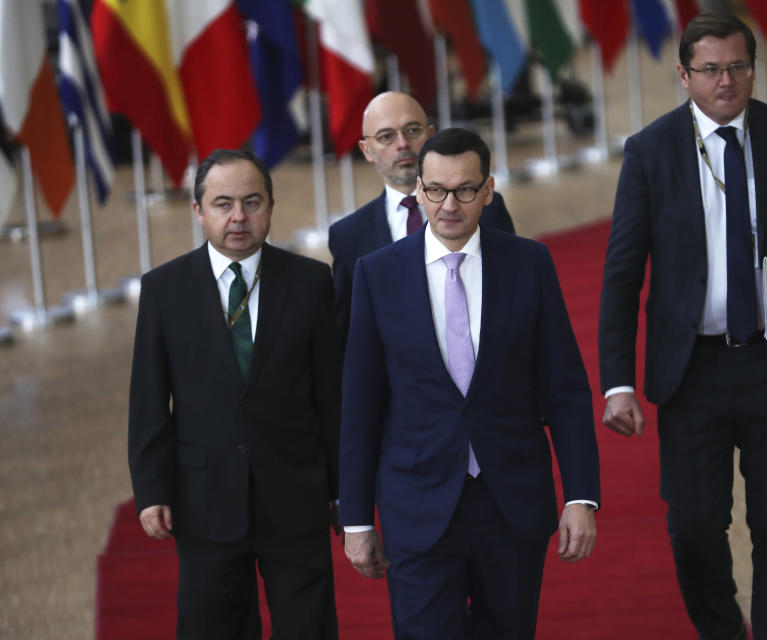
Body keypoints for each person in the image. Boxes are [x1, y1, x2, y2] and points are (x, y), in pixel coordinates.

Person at [597, 13, 767, 640]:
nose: (726, 81)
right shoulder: (651, 151)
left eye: (738, 66)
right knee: (692, 528)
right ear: (684, 76)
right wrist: (617, 383)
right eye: (710, 69)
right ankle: (720, 630)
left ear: (752, 67)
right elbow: (621, 275)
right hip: (691, 373)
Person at [339, 128, 600, 639]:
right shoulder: (377, 273)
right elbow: (361, 405)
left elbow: (564, 389)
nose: (449, 204)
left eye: (464, 189)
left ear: (488, 191)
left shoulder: (530, 264)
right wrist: (356, 519)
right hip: (416, 504)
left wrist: (581, 496)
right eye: (435, 189)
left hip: (511, 504)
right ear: (418, 190)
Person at [128, 149, 341, 639]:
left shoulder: (310, 282)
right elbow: (148, 399)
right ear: (199, 210)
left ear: (271, 205)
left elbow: (331, 397)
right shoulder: (165, 289)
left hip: (295, 494)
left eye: (252, 202)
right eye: (223, 204)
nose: (239, 217)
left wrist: (342, 488)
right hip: (204, 499)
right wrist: (151, 489)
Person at [328, 91, 515, 333]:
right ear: (366, 150)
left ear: (430, 135)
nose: (402, 144)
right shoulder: (349, 235)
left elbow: (514, 295)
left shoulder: (484, 206)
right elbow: (350, 332)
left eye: (412, 131)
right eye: (386, 136)